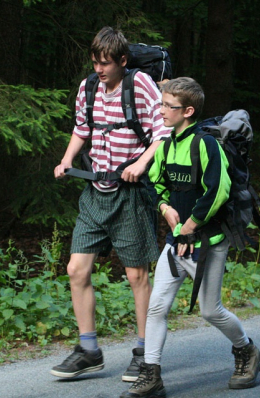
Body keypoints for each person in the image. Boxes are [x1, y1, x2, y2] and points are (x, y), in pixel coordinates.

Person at [121, 77, 260, 398]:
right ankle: (151, 374)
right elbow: (152, 181)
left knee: (210, 311)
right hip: (176, 243)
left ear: (187, 111)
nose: (160, 111)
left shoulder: (206, 145)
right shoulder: (167, 145)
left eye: (167, 106)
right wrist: (164, 207)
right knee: (156, 308)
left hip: (209, 242)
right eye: (160, 104)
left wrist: (192, 223)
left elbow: (218, 190)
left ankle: (247, 351)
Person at [51, 26, 171, 381]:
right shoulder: (89, 87)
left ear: (122, 60)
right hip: (95, 191)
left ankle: (144, 353)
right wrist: (67, 159)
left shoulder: (140, 86)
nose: (100, 70)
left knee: (136, 275)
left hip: (131, 194)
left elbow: (162, 134)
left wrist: (141, 163)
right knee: (76, 269)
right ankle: (89, 350)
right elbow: (81, 128)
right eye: (95, 62)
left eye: (106, 63)